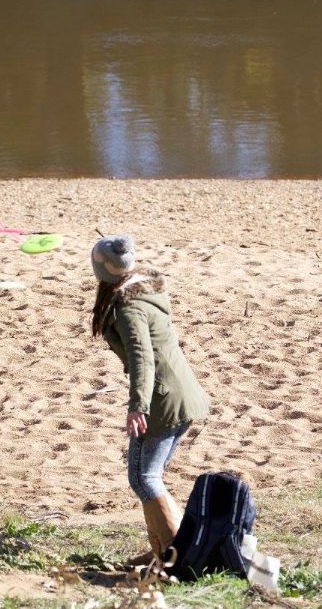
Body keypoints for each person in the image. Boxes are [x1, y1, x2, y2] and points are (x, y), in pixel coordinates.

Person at [90, 234, 210, 564]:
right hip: (178, 393)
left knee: (145, 478)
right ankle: (161, 548)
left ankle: (179, 554)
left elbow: (144, 359)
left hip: (163, 399)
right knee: (143, 476)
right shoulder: (142, 290)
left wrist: (137, 406)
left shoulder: (128, 309)